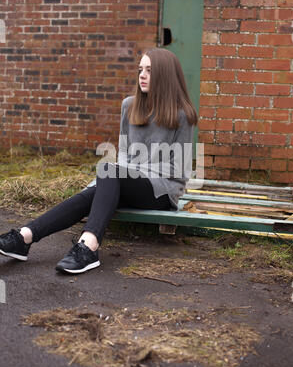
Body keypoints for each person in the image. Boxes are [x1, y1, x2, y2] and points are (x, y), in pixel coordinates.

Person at [0, 48, 198, 275]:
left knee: (108, 170)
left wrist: (127, 172)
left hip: (162, 190)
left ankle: (88, 246)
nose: (142, 75)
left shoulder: (183, 115)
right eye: (140, 69)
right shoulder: (130, 106)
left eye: (150, 71)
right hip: (126, 179)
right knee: (99, 183)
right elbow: (124, 154)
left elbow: (178, 171)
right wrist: (121, 173)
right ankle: (26, 237)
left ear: (164, 75)